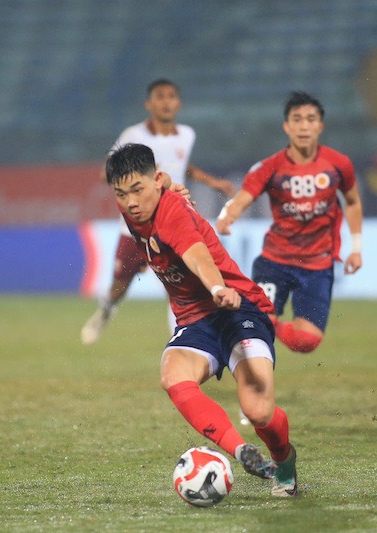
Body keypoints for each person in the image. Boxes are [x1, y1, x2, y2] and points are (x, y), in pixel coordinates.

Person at [105, 142, 298, 497]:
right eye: (121, 194)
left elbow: (197, 256)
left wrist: (216, 286)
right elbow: (125, 177)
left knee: (258, 411)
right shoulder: (136, 210)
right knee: (172, 374)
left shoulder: (171, 211)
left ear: (158, 180)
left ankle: (284, 461)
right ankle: (241, 452)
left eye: (138, 190)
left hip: (237, 308)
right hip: (196, 321)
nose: (130, 201)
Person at [81, 78, 236, 345]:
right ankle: (106, 310)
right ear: (149, 104)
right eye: (160, 97)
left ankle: (184, 342)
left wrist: (212, 182)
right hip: (135, 225)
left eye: (171, 96)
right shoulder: (133, 136)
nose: (166, 102)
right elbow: (110, 170)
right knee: (120, 285)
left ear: (178, 103)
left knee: (179, 282)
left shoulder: (187, 135)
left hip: (170, 219)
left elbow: (182, 165)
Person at [216, 91, 363, 353]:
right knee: (254, 334)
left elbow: (352, 202)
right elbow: (243, 198)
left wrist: (356, 248)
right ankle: (253, 325)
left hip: (318, 266)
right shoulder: (270, 167)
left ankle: (262, 321)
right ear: (287, 126)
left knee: (306, 342)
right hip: (275, 262)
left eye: (310, 119)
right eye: (297, 119)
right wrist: (228, 215)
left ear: (320, 125)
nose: (304, 126)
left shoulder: (339, 164)